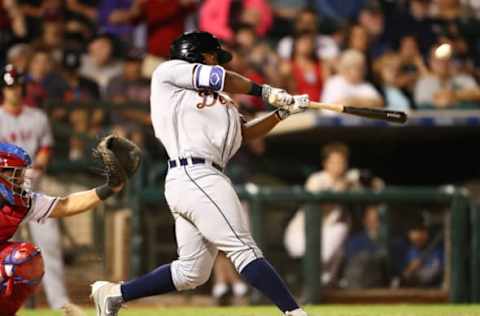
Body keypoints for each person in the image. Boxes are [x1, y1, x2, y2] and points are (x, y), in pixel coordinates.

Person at [91, 31, 310, 316]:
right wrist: (267, 92)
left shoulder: (223, 102)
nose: (217, 63)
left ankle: (115, 294)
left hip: (201, 177)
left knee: (191, 272)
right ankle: (295, 313)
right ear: (197, 54)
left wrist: (282, 113)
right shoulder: (168, 73)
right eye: (214, 57)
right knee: (243, 248)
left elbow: (245, 134)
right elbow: (226, 78)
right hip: (194, 172)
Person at [0, 64, 84, 315]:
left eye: (17, 86)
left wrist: (36, 168)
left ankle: (59, 302)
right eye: (9, 86)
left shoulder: (37, 116)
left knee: (49, 246)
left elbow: (46, 147)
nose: (14, 91)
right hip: (4, 197)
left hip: (33, 188)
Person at [284, 142, 352, 286]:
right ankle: (318, 281)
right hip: (302, 235)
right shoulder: (317, 179)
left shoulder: (348, 181)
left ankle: (326, 282)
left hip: (327, 239)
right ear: (325, 163)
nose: (338, 165)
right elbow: (321, 206)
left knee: (341, 228)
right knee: (337, 231)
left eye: (341, 162)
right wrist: (341, 189)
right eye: (334, 162)